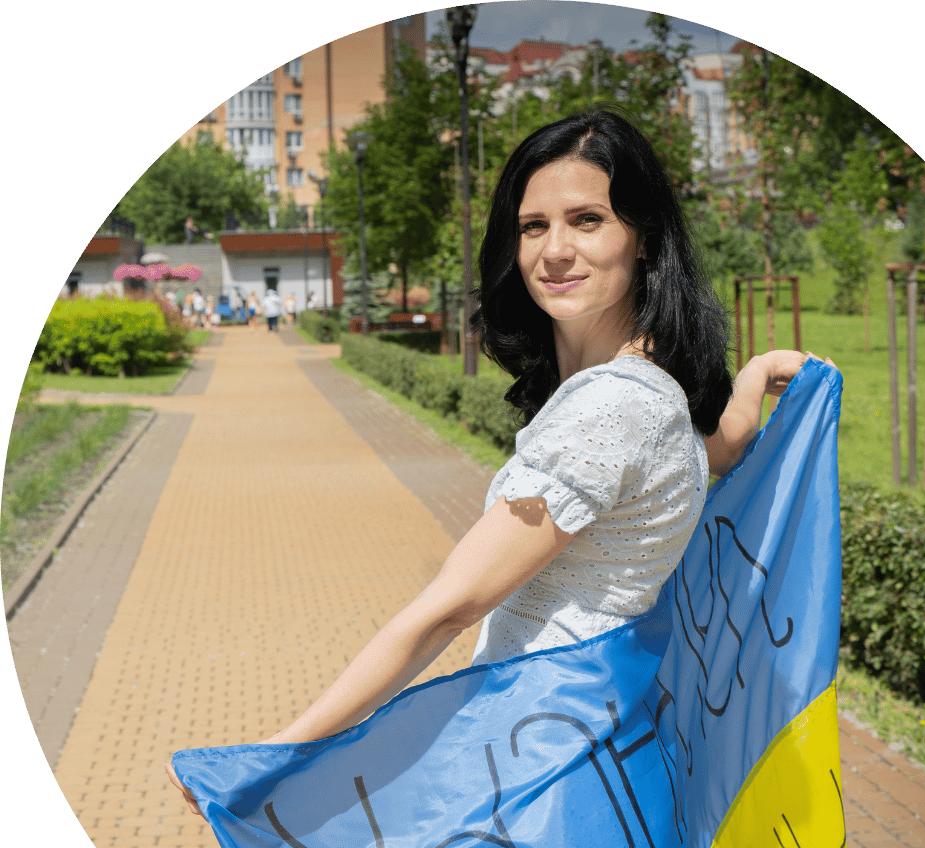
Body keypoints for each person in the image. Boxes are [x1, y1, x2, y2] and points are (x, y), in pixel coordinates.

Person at [169, 107, 827, 780]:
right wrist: (755, 377)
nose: (554, 250)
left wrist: (281, 751)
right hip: (597, 741)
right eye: (533, 226)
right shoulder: (655, 391)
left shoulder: (610, 408)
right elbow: (715, 450)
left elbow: (449, 608)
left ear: (644, 237)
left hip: (546, 757)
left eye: (587, 220)